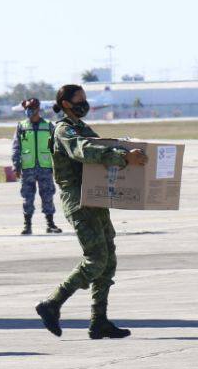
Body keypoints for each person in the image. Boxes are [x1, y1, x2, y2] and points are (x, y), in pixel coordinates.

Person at [35, 84, 147, 340]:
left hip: (95, 198)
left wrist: (124, 148)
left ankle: (99, 320)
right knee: (95, 259)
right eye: (79, 100)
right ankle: (52, 303)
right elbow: (84, 150)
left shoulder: (82, 128)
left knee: (108, 261)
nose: (84, 104)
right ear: (65, 104)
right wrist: (122, 156)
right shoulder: (64, 130)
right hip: (79, 201)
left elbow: (99, 144)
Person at [11, 97, 63, 236]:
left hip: (45, 167)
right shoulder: (21, 126)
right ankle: (27, 225)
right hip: (28, 168)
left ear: (38, 109)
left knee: (47, 196)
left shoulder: (48, 126)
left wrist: (57, 165)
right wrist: (16, 166)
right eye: (27, 109)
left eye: (31, 109)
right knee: (27, 197)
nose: (29, 111)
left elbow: (56, 147)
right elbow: (16, 147)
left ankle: (50, 224)